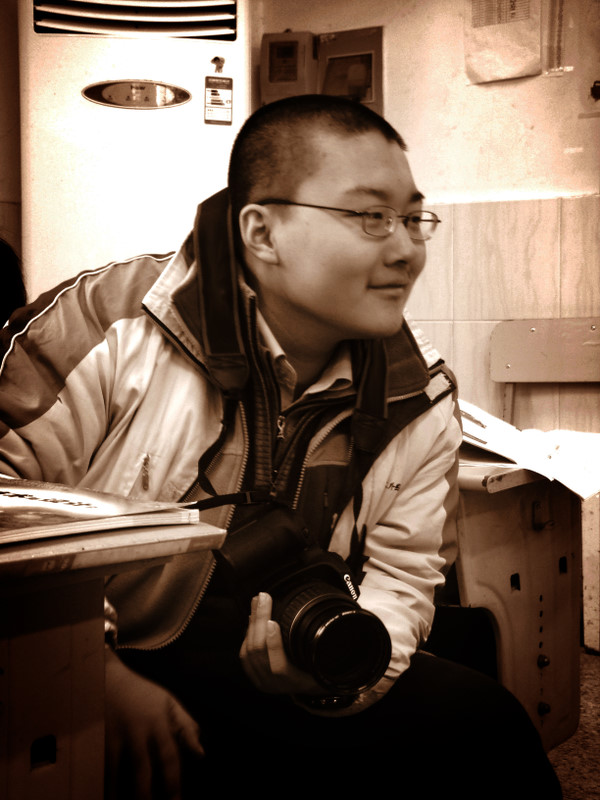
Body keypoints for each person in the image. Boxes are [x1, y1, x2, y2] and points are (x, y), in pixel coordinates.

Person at [0, 95, 561, 799]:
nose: (405, 249)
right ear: (262, 232)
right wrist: (95, 674)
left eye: (413, 218)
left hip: (273, 653)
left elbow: (403, 578)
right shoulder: (105, 326)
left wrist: (339, 681)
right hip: (76, 648)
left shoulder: (417, 392)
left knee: (487, 725)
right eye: (370, 216)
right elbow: (7, 523)